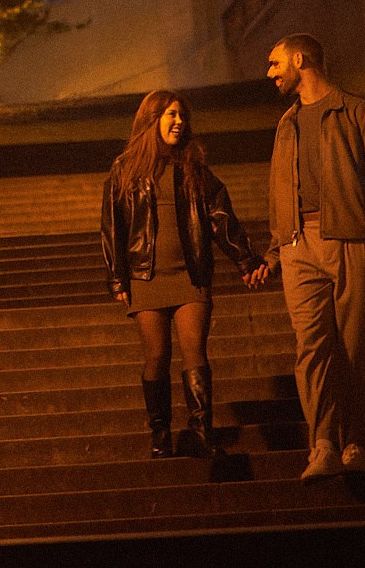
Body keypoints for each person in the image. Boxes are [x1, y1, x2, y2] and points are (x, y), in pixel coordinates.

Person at [256, 33, 365, 480]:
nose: (270, 73)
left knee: (358, 346)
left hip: (349, 238)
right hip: (298, 245)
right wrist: (276, 249)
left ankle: (357, 442)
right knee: (311, 349)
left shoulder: (357, 112)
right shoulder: (287, 123)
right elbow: (278, 188)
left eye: (276, 63)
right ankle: (323, 445)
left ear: (300, 60)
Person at [99, 90, 265, 458]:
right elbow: (112, 227)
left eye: (182, 116)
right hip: (145, 277)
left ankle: (202, 432)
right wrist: (117, 277)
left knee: (195, 353)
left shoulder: (193, 169)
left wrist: (246, 260)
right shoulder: (125, 169)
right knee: (157, 355)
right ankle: (160, 434)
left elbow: (221, 218)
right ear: (152, 119)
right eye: (171, 114)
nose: (179, 122)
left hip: (190, 276)